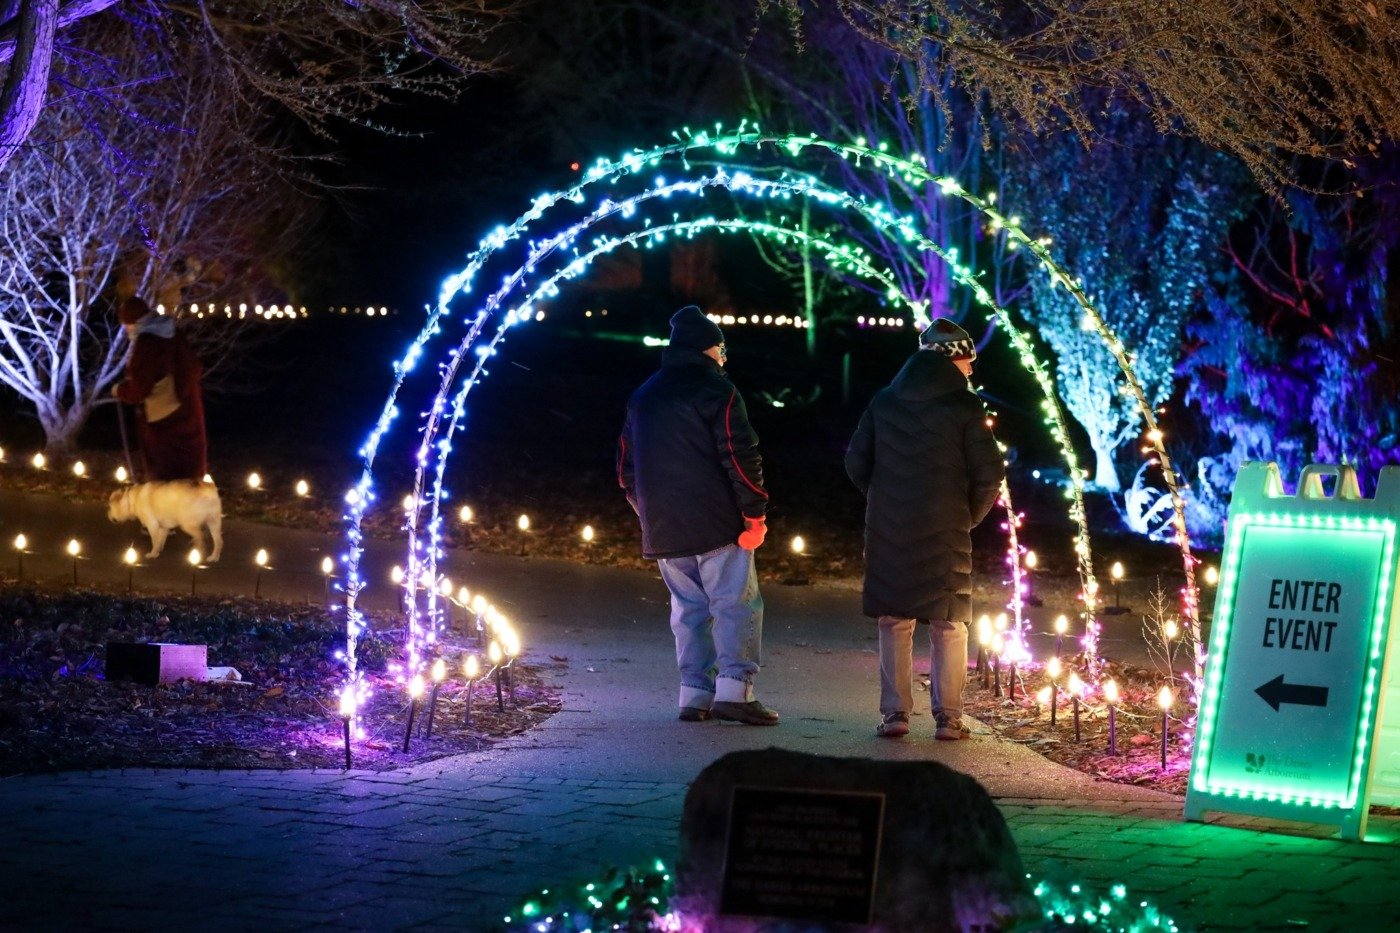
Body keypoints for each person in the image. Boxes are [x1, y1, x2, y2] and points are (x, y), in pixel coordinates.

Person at [844, 318, 1004, 740]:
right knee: (949, 620)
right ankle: (949, 718)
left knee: (894, 618)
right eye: (969, 362)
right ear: (956, 361)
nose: (972, 370)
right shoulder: (966, 407)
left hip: (887, 526)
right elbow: (990, 474)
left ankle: (894, 715)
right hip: (947, 526)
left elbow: (854, 462)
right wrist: (966, 515)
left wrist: (884, 499)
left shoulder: (883, 401)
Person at [618, 305, 777, 726]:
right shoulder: (717, 391)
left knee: (687, 609)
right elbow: (740, 455)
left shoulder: (644, 394)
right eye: (723, 348)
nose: (725, 357)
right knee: (736, 605)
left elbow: (625, 468)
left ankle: (694, 694)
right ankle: (735, 691)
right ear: (709, 348)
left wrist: (647, 511)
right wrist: (754, 513)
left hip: (665, 527)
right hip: (718, 522)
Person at [112, 297, 208, 482]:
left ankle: (168, 509)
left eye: (126, 326)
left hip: (165, 421)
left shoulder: (147, 342)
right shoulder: (173, 332)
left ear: (132, 323)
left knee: (167, 473)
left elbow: (140, 388)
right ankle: (194, 507)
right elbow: (195, 366)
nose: (126, 331)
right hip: (190, 407)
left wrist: (119, 390)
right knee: (191, 472)